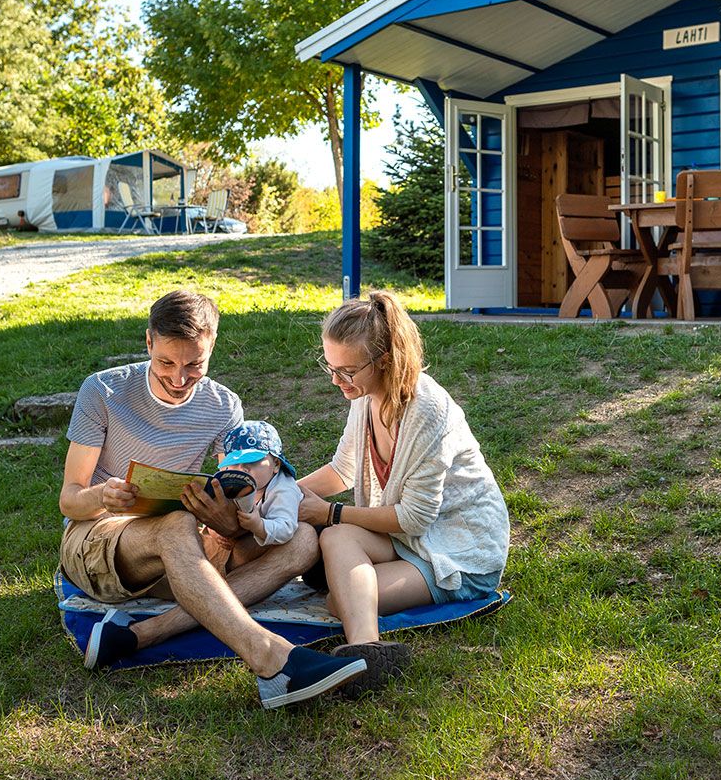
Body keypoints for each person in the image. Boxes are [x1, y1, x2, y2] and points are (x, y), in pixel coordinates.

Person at [57, 289, 368, 708]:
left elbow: (238, 500)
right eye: (166, 362)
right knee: (177, 524)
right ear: (148, 342)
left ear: (212, 347)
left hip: (182, 558)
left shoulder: (224, 406)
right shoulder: (104, 391)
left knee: (302, 539)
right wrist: (102, 495)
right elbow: (70, 501)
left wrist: (227, 519)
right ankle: (272, 659)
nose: (180, 378)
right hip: (99, 543)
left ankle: (138, 636)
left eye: (194, 365)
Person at [298, 290, 510, 693]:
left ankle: (366, 654)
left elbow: (415, 517)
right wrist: (281, 494)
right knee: (340, 546)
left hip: (459, 550)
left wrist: (329, 514)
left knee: (339, 598)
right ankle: (367, 643)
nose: (335, 380)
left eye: (346, 371)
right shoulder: (366, 396)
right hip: (410, 538)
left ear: (385, 361)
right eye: (330, 366)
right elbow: (342, 469)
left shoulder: (429, 411)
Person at [215, 420, 304, 553]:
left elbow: (286, 528)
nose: (242, 469)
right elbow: (215, 507)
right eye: (235, 463)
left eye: (252, 461)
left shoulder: (283, 489)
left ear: (276, 464)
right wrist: (214, 530)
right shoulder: (232, 483)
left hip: (281, 547)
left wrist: (259, 526)